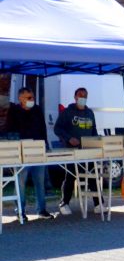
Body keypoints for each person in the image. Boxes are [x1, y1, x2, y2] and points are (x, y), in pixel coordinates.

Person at [6, 87, 54, 221]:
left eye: (32, 97)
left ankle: (42, 209)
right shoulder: (14, 111)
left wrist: (46, 145)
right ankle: (20, 210)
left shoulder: (37, 110)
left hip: (38, 150)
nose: (32, 100)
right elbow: (10, 130)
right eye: (29, 98)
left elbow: (43, 128)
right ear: (20, 98)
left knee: (40, 181)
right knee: (20, 182)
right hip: (21, 152)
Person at [54, 87, 100, 216]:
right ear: (75, 97)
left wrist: (97, 143)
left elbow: (94, 130)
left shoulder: (90, 113)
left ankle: (98, 203)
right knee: (70, 176)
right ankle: (64, 203)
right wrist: (69, 138)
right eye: (80, 95)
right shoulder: (67, 112)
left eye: (85, 96)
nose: (83, 98)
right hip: (72, 150)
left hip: (88, 150)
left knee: (92, 176)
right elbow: (57, 128)